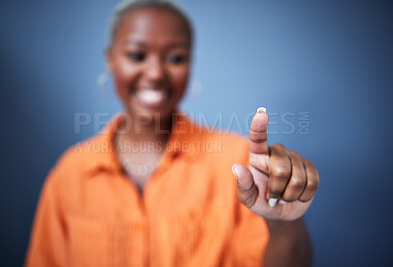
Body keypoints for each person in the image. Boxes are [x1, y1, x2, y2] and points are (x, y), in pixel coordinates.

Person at [25, 0, 319, 266]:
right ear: (110, 60)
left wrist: (285, 226)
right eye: (137, 55)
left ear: (190, 64)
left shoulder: (238, 164)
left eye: (175, 58)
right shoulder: (71, 173)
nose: (155, 73)